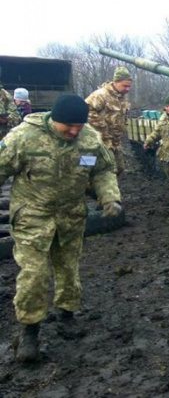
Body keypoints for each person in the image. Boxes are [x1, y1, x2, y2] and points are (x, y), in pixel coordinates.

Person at [0, 95, 122, 362]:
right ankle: (29, 330)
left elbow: (103, 170)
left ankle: (66, 314)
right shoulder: (22, 137)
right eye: (68, 126)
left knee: (68, 267)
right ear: (53, 119)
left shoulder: (89, 139)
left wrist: (110, 197)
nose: (74, 131)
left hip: (71, 215)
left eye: (79, 126)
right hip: (33, 216)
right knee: (34, 273)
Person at [85, 66, 132, 176]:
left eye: (129, 86)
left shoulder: (122, 98)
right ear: (115, 82)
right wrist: (102, 129)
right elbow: (87, 110)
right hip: (99, 140)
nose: (127, 89)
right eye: (125, 86)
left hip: (115, 141)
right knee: (94, 168)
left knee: (119, 168)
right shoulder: (101, 95)